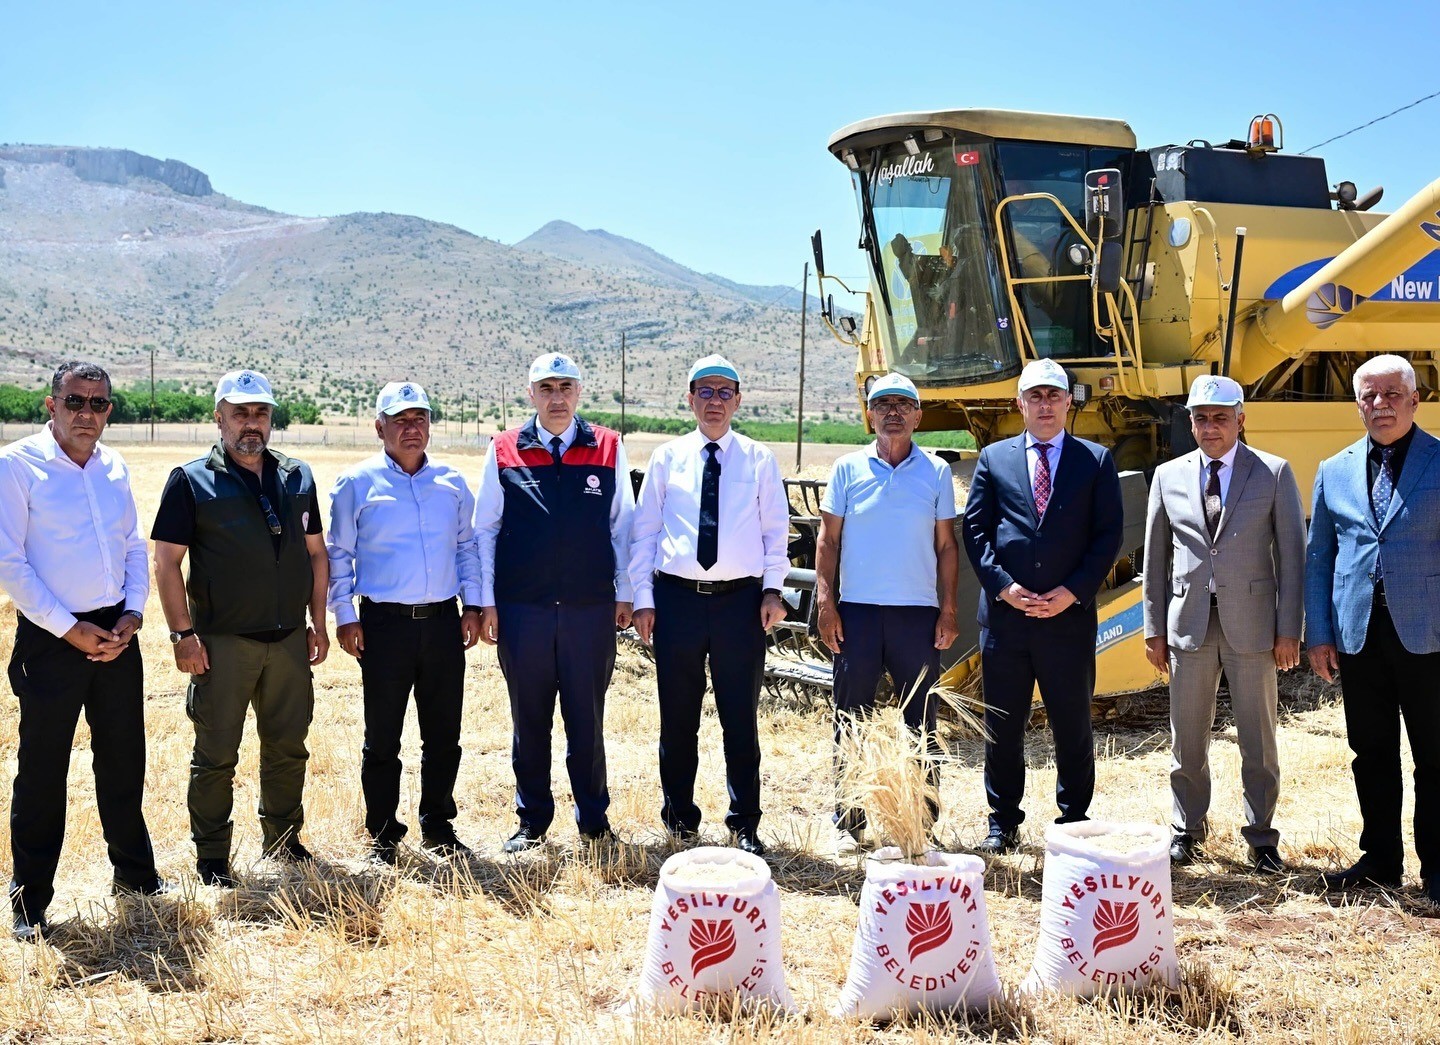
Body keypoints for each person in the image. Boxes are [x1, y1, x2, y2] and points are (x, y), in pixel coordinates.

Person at [0, 362, 168, 940]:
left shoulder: (113, 466)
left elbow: (130, 546)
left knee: (124, 761)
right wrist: (69, 630)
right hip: (52, 639)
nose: (86, 414)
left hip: (117, 635)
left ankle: (136, 877)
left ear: (109, 411)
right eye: (76, 401)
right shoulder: (17, 466)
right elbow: (9, 563)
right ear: (52, 405)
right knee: (43, 771)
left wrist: (132, 615)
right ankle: (30, 903)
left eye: (98, 404)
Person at [152, 369, 330, 887]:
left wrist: (316, 624)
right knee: (215, 756)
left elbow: (317, 555)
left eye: (260, 412)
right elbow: (166, 564)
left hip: (289, 642)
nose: (251, 423)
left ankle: (282, 841)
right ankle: (211, 858)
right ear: (219, 417)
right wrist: (183, 636)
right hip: (222, 644)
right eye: (240, 412)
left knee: (289, 746)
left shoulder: (298, 477)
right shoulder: (191, 481)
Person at [1141, 375, 1305, 872]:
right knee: (1187, 737)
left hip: (1254, 627)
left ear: (1241, 419)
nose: (1209, 427)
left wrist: (1288, 630)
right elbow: (1155, 558)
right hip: (1188, 623)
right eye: (1200, 418)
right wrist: (1153, 628)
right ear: (1189, 422)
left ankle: (1261, 837)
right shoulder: (1167, 475)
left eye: (1219, 417)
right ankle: (1187, 830)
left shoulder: (1273, 473)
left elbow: (1293, 558)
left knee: (1258, 738)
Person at [961, 358, 1124, 853]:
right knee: (1002, 725)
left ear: (1068, 401)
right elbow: (975, 530)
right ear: (1020, 404)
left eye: (1054, 395)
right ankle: (1002, 821)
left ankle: (1074, 820)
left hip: (1066, 621)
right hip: (1007, 622)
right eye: (1035, 396)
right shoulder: (994, 459)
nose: (1045, 404)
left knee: (1072, 722)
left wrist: (1072, 592)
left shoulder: (1094, 461)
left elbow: (1107, 536)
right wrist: (1003, 587)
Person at [629, 354, 789, 856]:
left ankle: (744, 823)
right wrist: (643, 598)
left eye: (725, 392)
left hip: (740, 604)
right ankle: (679, 820)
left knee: (740, 717)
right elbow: (645, 534)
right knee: (678, 718)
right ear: (690, 398)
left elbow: (774, 533)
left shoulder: (758, 460)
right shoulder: (667, 459)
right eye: (706, 391)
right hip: (676, 602)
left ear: (738, 401)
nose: (715, 401)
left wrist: (772, 590)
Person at [475, 353, 633, 853]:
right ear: (531, 395)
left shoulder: (608, 447)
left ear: (579, 393)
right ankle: (532, 819)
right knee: (530, 717)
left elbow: (622, 526)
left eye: (566, 386)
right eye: (547, 387)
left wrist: (625, 592)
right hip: (524, 610)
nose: (557, 397)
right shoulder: (504, 450)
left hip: (590, 609)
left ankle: (593, 819)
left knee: (587, 717)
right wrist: (487, 602)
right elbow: (486, 529)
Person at [327, 381, 483, 865]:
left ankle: (438, 825)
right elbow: (339, 555)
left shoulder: (452, 484)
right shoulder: (356, 484)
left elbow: (466, 549)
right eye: (400, 420)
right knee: (383, 739)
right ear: (380, 428)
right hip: (383, 626)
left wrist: (473, 607)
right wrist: (346, 615)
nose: (412, 429)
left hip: (441, 623)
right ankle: (382, 833)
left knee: (443, 735)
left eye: (420, 419)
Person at [1306, 354, 1440, 905]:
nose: (1380, 404)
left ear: (1414, 400)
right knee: (1372, 751)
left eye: (1391, 394)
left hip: (1428, 635)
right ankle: (1381, 859)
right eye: (1370, 395)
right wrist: (1319, 633)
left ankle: (1437, 869)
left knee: (1434, 756)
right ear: (1357, 403)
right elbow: (1319, 558)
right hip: (1357, 636)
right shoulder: (1333, 469)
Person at [816, 372, 960, 853]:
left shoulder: (937, 472)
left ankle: (923, 821)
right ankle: (848, 821)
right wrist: (825, 602)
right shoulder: (846, 469)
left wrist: (948, 610)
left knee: (922, 722)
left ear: (919, 415)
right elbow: (828, 541)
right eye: (883, 404)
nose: (893, 411)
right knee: (850, 718)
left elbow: (945, 547)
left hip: (916, 616)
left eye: (903, 403)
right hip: (856, 613)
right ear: (869, 415)